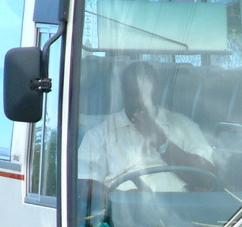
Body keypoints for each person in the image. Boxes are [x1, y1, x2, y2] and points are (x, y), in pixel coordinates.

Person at [77, 60, 215, 197]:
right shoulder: (100, 133)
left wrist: (160, 140)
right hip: (122, 214)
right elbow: (84, 184)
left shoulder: (183, 126)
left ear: (158, 92)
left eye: (146, 94)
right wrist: (125, 200)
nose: (140, 101)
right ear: (123, 95)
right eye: (133, 94)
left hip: (180, 211)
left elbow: (207, 179)